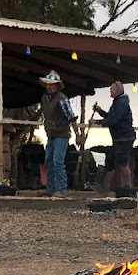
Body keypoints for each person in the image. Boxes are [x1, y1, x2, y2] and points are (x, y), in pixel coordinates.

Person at [38, 70, 79, 199]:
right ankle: (51, 188)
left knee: (57, 161)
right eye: (47, 84)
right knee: (49, 160)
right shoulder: (45, 99)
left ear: (56, 85)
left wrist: (77, 133)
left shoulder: (61, 99)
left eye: (51, 84)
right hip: (51, 133)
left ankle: (61, 190)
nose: (49, 86)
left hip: (61, 134)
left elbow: (71, 117)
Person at [92, 80, 136, 196]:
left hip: (124, 137)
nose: (110, 91)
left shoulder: (121, 103)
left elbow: (113, 120)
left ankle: (128, 187)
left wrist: (96, 121)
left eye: (111, 89)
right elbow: (110, 117)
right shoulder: (118, 102)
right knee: (111, 161)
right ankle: (105, 185)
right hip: (118, 138)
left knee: (123, 163)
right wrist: (100, 111)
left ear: (117, 90)